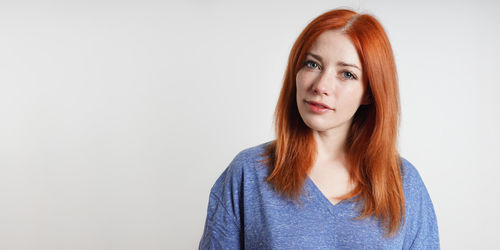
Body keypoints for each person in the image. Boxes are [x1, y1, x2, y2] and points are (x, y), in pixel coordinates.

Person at [199, 8, 439, 249]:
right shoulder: (248, 174)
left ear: (369, 91)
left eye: (346, 74)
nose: (321, 85)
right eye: (312, 64)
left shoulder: (404, 185)